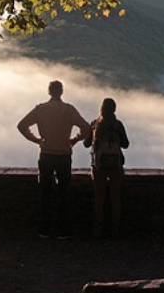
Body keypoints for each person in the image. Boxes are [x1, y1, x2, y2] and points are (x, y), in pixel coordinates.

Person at [18, 80, 90, 239]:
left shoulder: (40, 109)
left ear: (49, 92)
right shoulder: (69, 110)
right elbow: (86, 128)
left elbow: (22, 125)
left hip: (46, 154)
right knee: (64, 192)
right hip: (64, 154)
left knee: (45, 192)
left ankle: (45, 229)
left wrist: (36, 140)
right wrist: (74, 140)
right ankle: (64, 230)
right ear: (61, 92)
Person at [84, 97, 129, 238]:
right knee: (115, 197)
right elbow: (125, 144)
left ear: (101, 109)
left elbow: (86, 144)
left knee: (99, 198)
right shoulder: (118, 125)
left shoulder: (95, 124)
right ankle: (115, 229)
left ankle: (98, 230)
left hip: (99, 166)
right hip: (116, 166)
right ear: (114, 109)